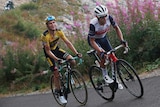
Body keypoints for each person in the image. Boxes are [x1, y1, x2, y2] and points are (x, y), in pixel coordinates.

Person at [41, 15, 82, 104]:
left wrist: (76, 53)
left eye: (53, 22)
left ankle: (69, 74)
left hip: (57, 50)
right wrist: (57, 59)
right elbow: (47, 51)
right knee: (56, 73)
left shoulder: (59, 32)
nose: (52, 25)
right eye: (50, 23)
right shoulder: (45, 36)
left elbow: (67, 42)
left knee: (72, 60)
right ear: (47, 25)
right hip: (49, 54)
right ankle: (59, 93)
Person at [87, 5, 128, 89]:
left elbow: (117, 28)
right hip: (94, 40)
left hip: (103, 38)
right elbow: (92, 41)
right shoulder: (93, 24)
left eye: (105, 16)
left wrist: (122, 40)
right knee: (103, 55)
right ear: (97, 17)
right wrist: (100, 51)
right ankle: (105, 75)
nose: (105, 19)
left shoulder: (109, 18)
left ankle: (115, 79)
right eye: (102, 17)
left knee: (113, 56)